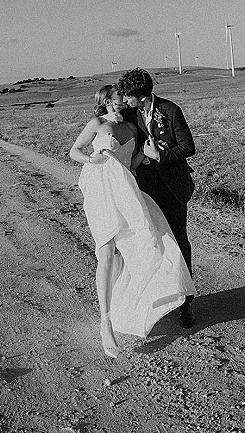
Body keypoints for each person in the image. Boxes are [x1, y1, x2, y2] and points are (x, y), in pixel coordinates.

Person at [69, 84, 194, 358]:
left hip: (127, 190)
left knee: (144, 245)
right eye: (116, 100)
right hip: (101, 189)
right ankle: (106, 322)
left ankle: (142, 304)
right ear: (106, 101)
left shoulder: (133, 128)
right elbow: (74, 151)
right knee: (107, 252)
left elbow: (134, 162)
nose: (121, 103)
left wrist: (148, 155)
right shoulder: (96, 123)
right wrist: (91, 158)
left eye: (123, 100)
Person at [115, 68, 196, 327]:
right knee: (153, 242)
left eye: (128, 96)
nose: (125, 100)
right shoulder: (129, 113)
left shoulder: (170, 110)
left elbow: (188, 147)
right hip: (145, 189)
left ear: (142, 95)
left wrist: (160, 155)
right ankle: (161, 299)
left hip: (173, 188)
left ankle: (187, 305)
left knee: (179, 242)